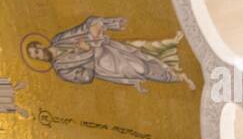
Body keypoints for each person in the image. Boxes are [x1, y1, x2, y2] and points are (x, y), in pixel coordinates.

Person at [25, 16, 196, 91]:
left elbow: (81, 29)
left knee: (142, 52)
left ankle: (172, 54)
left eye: (37, 51)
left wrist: (98, 25)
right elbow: (86, 78)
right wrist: (88, 52)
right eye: (36, 57)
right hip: (106, 65)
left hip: (108, 47)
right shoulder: (62, 69)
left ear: (41, 45)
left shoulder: (59, 39)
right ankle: (176, 77)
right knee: (141, 68)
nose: (39, 55)